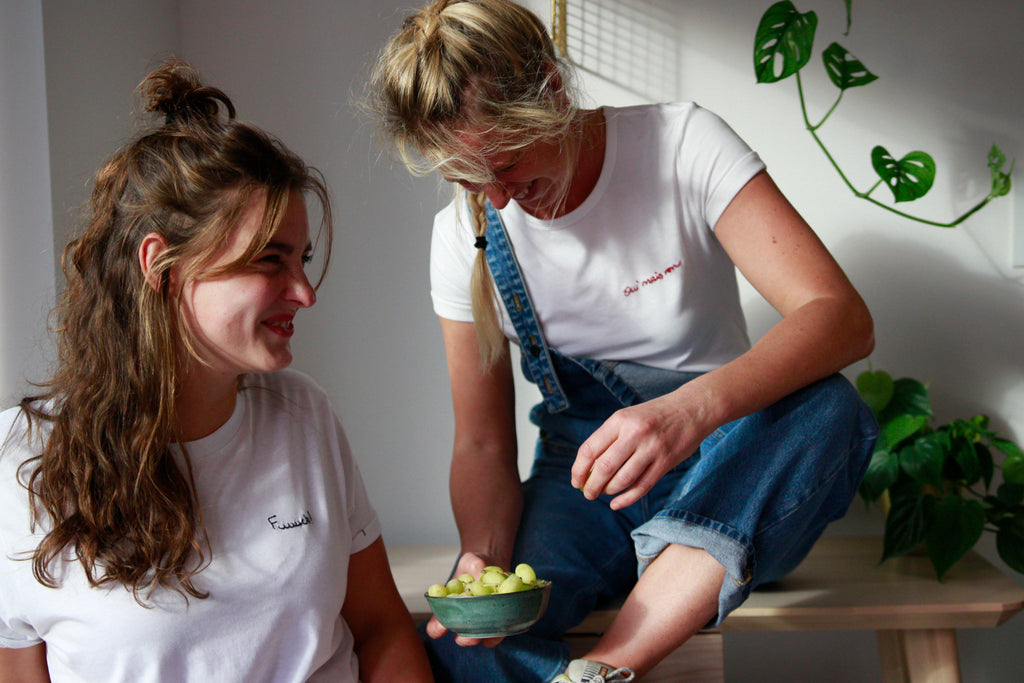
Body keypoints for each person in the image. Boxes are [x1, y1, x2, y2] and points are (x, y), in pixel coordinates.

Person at [367, 1, 879, 682]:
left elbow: (841, 315)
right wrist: (482, 559)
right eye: (468, 178)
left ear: (551, 88)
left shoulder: (682, 145)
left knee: (832, 410)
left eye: (508, 162)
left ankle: (607, 668)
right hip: (583, 481)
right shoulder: (464, 235)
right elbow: (484, 442)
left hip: (730, 460)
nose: (498, 201)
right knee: (467, 644)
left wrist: (687, 411)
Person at [0, 60, 433, 683]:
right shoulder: (23, 461)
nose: (305, 292)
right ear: (163, 265)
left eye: (302, 259)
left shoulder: (303, 415)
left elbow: (380, 627)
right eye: (269, 261)